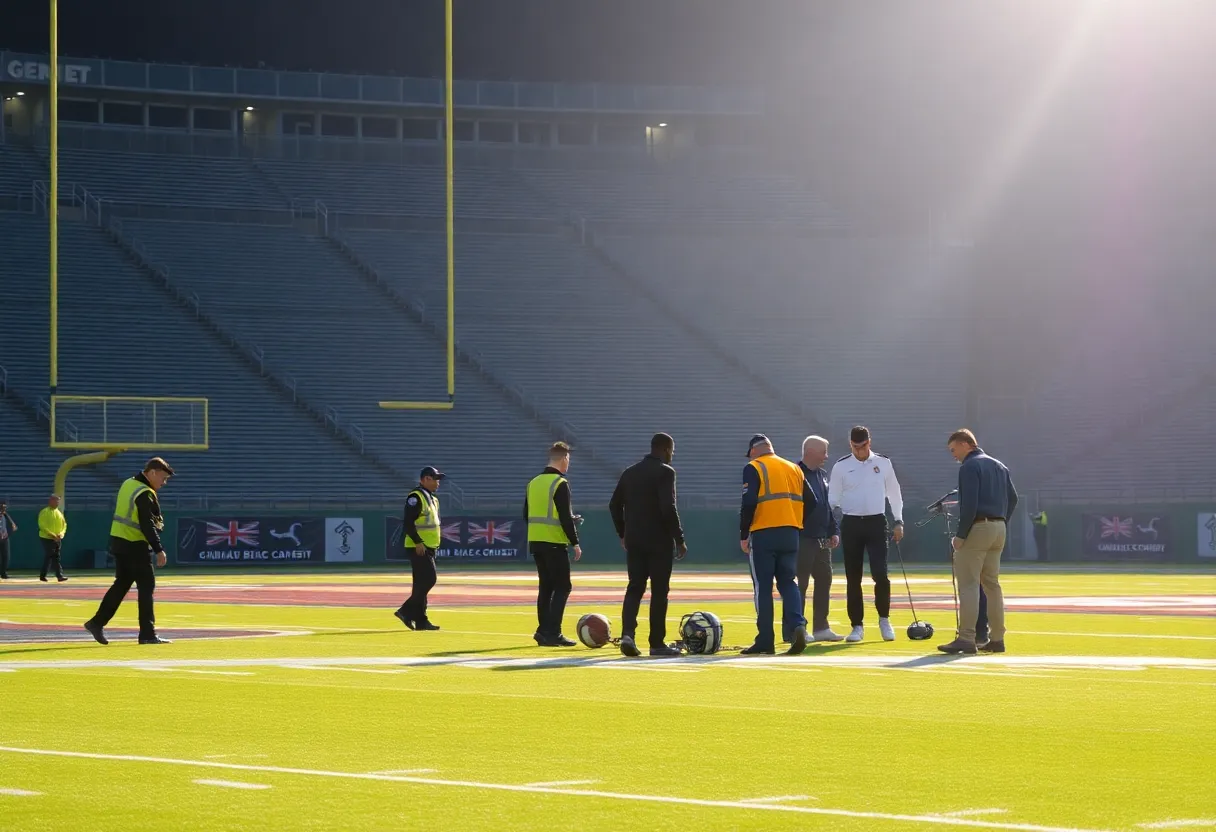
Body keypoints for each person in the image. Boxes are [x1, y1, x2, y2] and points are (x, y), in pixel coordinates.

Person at [939, 429, 1017, 655]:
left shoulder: (970, 467)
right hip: (998, 527)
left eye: (954, 449)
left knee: (969, 583)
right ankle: (997, 638)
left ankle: (966, 638)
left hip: (978, 527)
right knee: (992, 584)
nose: (953, 455)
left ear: (965, 444)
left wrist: (960, 535)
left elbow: (969, 504)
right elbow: (1013, 498)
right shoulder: (1000, 465)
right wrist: (1001, 521)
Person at [609, 433, 686, 658]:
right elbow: (668, 507)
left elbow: (614, 505)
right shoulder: (665, 472)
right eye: (671, 450)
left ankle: (627, 635)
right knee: (659, 591)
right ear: (664, 449)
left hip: (634, 540)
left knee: (635, 587)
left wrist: (623, 533)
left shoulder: (630, 472)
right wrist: (679, 539)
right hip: (659, 540)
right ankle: (657, 643)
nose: (672, 455)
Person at [84, 458, 175, 645]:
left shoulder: (129, 483)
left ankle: (97, 622)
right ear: (152, 472)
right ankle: (147, 634)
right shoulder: (144, 492)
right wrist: (159, 549)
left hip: (118, 541)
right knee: (146, 586)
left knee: (122, 584)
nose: (163, 483)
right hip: (134, 544)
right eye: (163, 478)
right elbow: (146, 524)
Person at [739, 434, 813, 656]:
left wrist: (744, 533)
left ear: (753, 451)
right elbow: (814, 501)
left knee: (763, 587)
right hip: (790, 532)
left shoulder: (754, 467)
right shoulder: (793, 468)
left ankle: (765, 639)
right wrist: (794, 520)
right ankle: (797, 626)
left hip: (763, 532)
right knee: (788, 582)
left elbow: (749, 500)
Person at [828, 426, 904, 643]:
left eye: (862, 446)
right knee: (853, 578)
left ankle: (884, 619)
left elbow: (894, 493)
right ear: (850, 444)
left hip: (876, 522)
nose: (859, 451)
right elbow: (832, 498)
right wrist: (828, 524)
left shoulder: (883, 463)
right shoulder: (841, 466)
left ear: (869, 442)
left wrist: (898, 520)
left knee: (880, 574)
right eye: (854, 447)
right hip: (851, 523)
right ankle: (857, 626)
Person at [525, 442, 582, 647]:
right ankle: (553, 632)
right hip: (554, 542)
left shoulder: (533, 482)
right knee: (563, 586)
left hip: (536, 541)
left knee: (546, 587)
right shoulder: (560, 483)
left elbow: (527, 514)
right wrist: (575, 542)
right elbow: (565, 518)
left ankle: (543, 631)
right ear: (564, 458)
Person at [796, 436, 842, 642]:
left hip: (822, 539)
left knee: (824, 580)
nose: (826, 456)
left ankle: (821, 627)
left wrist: (833, 530)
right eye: (823, 451)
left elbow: (827, 506)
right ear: (811, 451)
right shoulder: (795, 473)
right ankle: (797, 629)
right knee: (800, 584)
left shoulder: (822, 475)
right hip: (802, 538)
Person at [394, 466, 445, 631]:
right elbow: (408, 522)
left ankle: (421, 620)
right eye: (435, 478)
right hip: (419, 546)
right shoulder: (415, 497)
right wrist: (418, 542)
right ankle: (406, 611)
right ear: (425, 479)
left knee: (420, 584)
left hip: (428, 545)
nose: (438, 482)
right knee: (430, 579)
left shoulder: (432, 498)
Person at [37, 494, 68, 583]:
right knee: (52, 555)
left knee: (54, 556)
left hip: (57, 539)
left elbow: (64, 525)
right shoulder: (44, 512)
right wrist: (52, 535)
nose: (57, 502)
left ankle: (46, 575)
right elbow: (42, 525)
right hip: (46, 538)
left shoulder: (59, 513)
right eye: (55, 500)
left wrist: (61, 534)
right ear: (50, 501)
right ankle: (58, 575)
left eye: (58, 500)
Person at [0, 502, 17, 579]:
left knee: (6, 556)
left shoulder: (5, 514)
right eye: (2, 507)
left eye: (5, 507)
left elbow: (7, 516)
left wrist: (13, 524)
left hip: (4, 538)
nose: (4, 509)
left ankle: (3, 573)